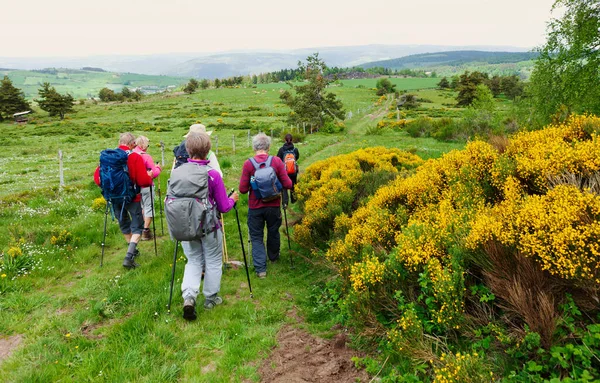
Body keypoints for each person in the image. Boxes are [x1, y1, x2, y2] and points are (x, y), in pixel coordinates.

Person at [170, 132, 238, 320]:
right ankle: (210, 298)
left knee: (193, 261)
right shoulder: (213, 175)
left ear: (188, 150)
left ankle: (189, 297)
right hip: (209, 227)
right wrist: (233, 199)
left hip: (184, 226)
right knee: (213, 261)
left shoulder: (176, 173)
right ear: (208, 151)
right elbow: (224, 207)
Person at [94, 132, 153, 269]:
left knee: (124, 222)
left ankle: (132, 250)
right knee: (137, 226)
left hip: (113, 197)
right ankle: (129, 256)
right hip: (132, 197)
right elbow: (143, 181)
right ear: (133, 143)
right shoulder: (134, 157)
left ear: (120, 142)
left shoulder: (108, 158)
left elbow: (97, 179)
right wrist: (149, 176)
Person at [239, 133, 292, 279]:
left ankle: (261, 270)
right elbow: (288, 184)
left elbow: (242, 189)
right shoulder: (276, 161)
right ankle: (273, 258)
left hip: (255, 207)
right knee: (273, 231)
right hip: (274, 205)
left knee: (256, 236)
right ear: (268, 147)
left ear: (254, 147)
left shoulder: (248, 164)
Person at [133, 135, 162, 240]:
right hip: (146, 185)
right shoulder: (146, 156)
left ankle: (139, 229)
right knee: (148, 206)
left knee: (141, 207)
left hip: (135, 186)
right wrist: (158, 167)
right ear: (144, 145)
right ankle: (146, 231)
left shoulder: (131, 155)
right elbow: (153, 173)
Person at [276, 133, 300, 206]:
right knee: (293, 185)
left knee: (284, 186)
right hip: (293, 171)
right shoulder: (295, 149)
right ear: (292, 140)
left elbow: (278, 159)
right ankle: (294, 200)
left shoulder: (281, 150)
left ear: (284, 140)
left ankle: (285, 203)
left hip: (284, 172)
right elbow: (297, 157)